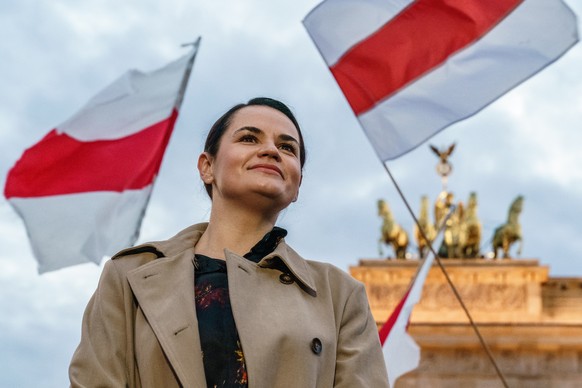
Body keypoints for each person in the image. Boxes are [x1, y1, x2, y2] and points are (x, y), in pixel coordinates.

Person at [69, 97, 389, 387]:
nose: (271, 150)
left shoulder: (340, 297)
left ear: (297, 184)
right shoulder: (128, 277)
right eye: (249, 138)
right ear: (207, 167)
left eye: (287, 147)